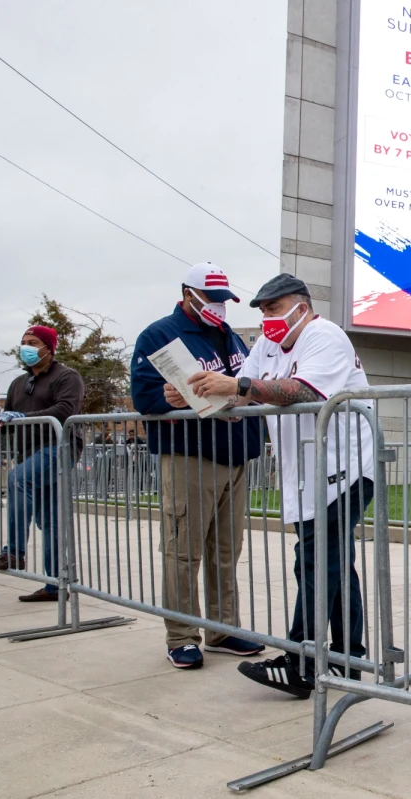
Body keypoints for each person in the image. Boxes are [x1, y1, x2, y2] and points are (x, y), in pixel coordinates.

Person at [186, 274, 374, 698]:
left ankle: (301, 664)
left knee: (314, 560)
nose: (267, 317)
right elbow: (240, 399)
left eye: (273, 308)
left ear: (301, 307)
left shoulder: (325, 336)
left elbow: (303, 390)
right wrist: (197, 395)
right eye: (263, 310)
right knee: (333, 564)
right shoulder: (266, 346)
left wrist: (240, 387)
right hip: (306, 469)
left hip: (344, 466)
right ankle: (348, 660)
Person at [130, 263, 265, 669]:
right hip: (191, 455)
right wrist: (167, 398)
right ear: (188, 293)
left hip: (235, 453)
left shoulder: (229, 337)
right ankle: (182, 634)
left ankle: (223, 630)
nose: (219, 307)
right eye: (211, 299)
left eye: (224, 300)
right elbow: (145, 397)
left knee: (227, 550)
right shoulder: (159, 335)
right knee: (182, 550)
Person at [0, 325, 85, 602]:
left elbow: (65, 410)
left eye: (33, 342)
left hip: (58, 448)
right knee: (49, 520)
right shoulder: (19, 382)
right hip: (28, 452)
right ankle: (56, 585)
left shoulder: (67, 376)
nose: (26, 347)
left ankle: (13, 552)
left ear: (49, 348)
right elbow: (11, 419)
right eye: (24, 341)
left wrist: (20, 417)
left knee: (18, 478)